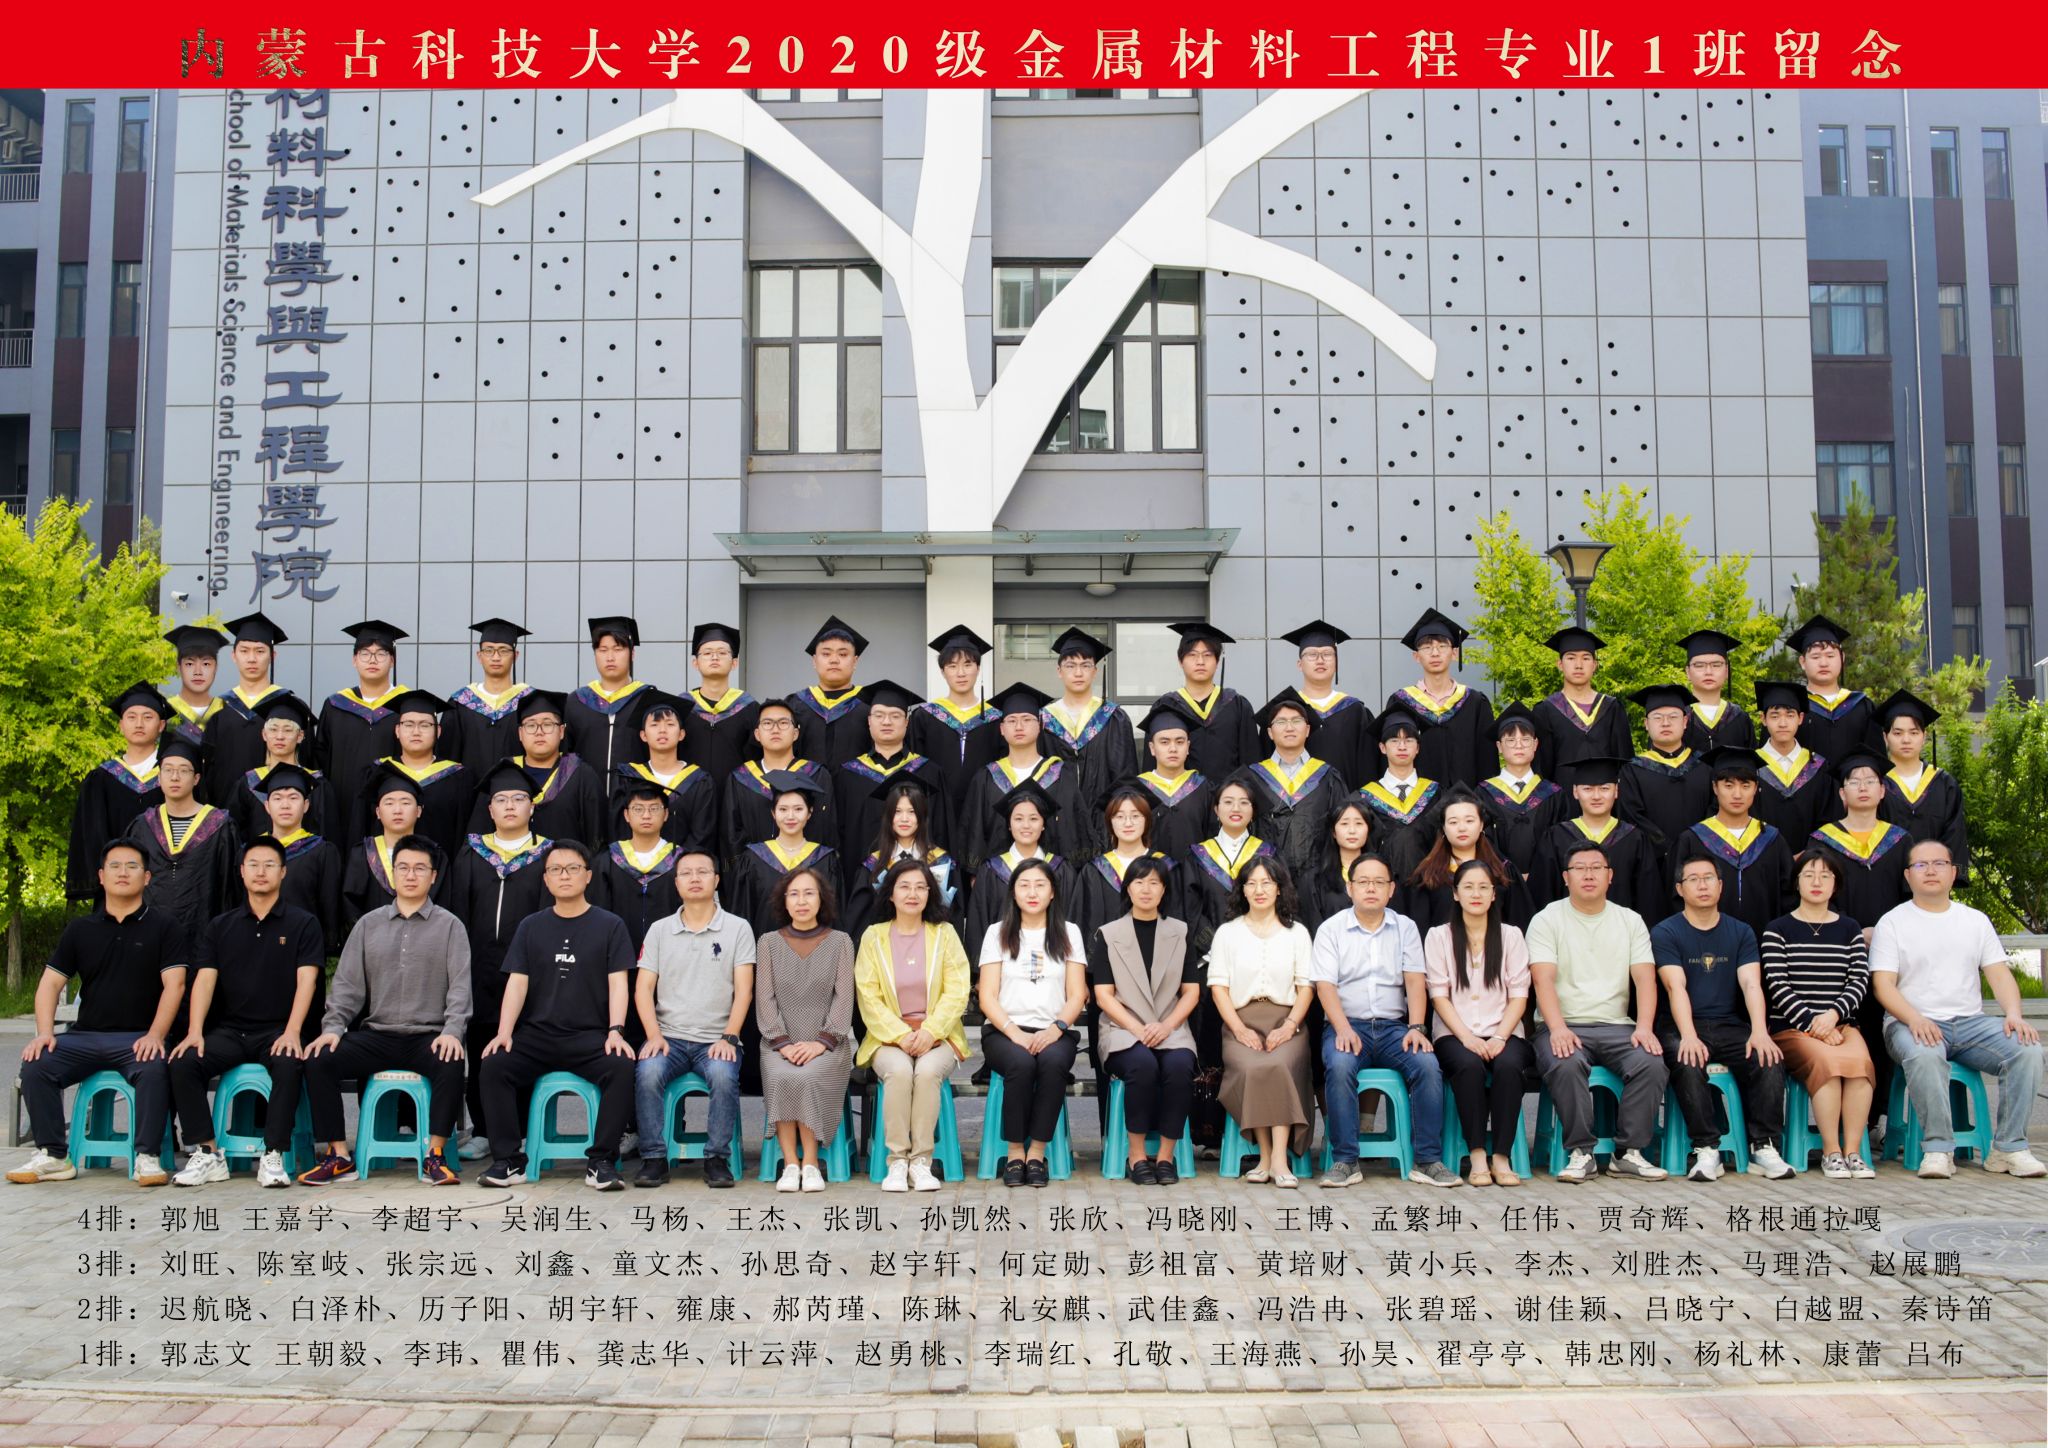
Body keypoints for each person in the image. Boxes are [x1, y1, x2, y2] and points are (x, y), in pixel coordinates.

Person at [8, 841, 187, 1187]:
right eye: (115, 866)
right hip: (85, 1036)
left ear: (147, 877)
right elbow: (49, 984)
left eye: (132, 866)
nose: (123, 873)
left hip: (138, 1038)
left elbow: (175, 985)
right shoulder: (81, 929)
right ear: (101, 877)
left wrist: (155, 1034)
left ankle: (147, 1157)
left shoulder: (165, 927)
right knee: (37, 1064)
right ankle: (54, 1155)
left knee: (153, 1068)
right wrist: (44, 1033)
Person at [296, 834, 471, 1186]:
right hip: (377, 1035)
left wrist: (453, 1031)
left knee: (451, 1060)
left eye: (419, 868)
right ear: (392, 874)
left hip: (427, 1036)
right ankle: (338, 1154)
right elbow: (347, 987)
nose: (411, 875)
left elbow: (460, 987)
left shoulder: (450, 926)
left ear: (433, 876)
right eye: (403, 868)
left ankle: (434, 1155)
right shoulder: (368, 924)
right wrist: (333, 1028)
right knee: (319, 1058)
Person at [1871, 840, 2045, 1179]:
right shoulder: (1892, 922)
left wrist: (2013, 1014)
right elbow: (1883, 986)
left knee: (2027, 1050)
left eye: (1939, 863)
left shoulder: (1974, 920)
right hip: (1908, 1022)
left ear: (1953, 872)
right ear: (1908, 876)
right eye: (1921, 865)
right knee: (1925, 1055)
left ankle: (2009, 1148)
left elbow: (1999, 974)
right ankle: (1938, 1149)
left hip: (1969, 1024)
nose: (1931, 870)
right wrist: (1914, 1018)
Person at [477, 841, 639, 1190]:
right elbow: (517, 983)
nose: (564, 876)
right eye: (555, 870)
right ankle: (508, 1160)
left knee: (622, 1066)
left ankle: (601, 1161)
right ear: (546, 879)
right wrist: (504, 1032)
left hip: (589, 1037)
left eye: (572, 868)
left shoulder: (610, 925)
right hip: (537, 1036)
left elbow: (618, 984)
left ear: (588, 876)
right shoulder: (531, 926)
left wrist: (615, 1030)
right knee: (494, 1065)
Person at [167, 837, 325, 1188]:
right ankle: (208, 1153)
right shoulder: (221, 926)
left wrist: (293, 1031)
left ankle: (273, 1154)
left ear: (283, 872)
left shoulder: (303, 923)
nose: (261, 872)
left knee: (288, 1063)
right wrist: (195, 1031)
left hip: (278, 1031)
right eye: (253, 864)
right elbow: (204, 981)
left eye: (269, 865)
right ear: (241, 872)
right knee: (183, 1061)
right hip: (231, 1032)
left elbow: (308, 981)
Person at [1526, 841, 1669, 1183]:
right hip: (1563, 1024)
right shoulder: (1547, 919)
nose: (1588, 875)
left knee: (1650, 1062)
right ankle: (1582, 1152)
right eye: (1579, 868)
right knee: (1566, 1062)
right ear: (1566, 877)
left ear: (1610, 875)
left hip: (1617, 1026)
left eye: (1596, 868)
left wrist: (1644, 1027)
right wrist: (1557, 1028)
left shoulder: (1629, 920)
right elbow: (1542, 980)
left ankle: (1628, 1153)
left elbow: (1645, 979)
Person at [1312, 854, 1458, 1188]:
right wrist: (1342, 1028)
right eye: (1363, 882)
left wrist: (1417, 1027)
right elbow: (1325, 986)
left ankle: (1428, 1160)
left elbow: (1415, 981)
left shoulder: (1404, 927)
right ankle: (1345, 1160)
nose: (1371, 888)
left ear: (1391, 889)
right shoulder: (1331, 929)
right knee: (1340, 1066)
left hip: (1394, 1029)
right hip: (1347, 1024)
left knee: (1427, 1065)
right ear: (1350, 888)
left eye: (1379, 882)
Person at [1654, 857, 1794, 1181]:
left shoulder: (1740, 932)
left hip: (1729, 1024)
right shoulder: (1666, 931)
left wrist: (1759, 1031)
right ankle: (1706, 1148)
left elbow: (1751, 984)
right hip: (1683, 1024)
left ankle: (1764, 1147)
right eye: (1693, 879)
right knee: (1688, 1058)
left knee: (1767, 1056)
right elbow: (1675, 987)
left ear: (1720, 885)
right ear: (1680, 889)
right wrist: (1689, 1035)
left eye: (1708, 878)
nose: (1702, 885)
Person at [445, 760, 555, 1156]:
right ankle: (483, 1131)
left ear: (532, 806)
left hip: (531, 969)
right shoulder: (472, 852)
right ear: (490, 809)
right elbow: (458, 912)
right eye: (502, 800)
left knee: (525, 1044)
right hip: (479, 967)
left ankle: (524, 1130)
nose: (510, 806)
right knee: (480, 1046)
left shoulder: (547, 855)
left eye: (519, 798)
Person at [631, 848, 757, 1189]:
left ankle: (716, 1158)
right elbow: (643, 989)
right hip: (668, 1037)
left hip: (717, 1038)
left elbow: (744, 991)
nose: (695, 878)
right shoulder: (659, 930)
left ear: (716, 880)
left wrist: (730, 1036)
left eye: (703, 872)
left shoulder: (737, 928)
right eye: (686, 873)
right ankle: (654, 1158)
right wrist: (653, 1035)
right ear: (676, 884)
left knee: (723, 1076)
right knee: (648, 1073)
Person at [854, 859, 973, 1191]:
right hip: (888, 1038)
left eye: (921, 887)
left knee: (927, 1072)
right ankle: (897, 1161)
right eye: (904, 887)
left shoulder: (944, 934)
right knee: (900, 1071)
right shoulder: (874, 937)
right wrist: (902, 1035)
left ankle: (921, 1162)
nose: (913, 894)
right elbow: (868, 995)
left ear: (930, 893)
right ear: (890, 894)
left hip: (939, 1035)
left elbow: (957, 989)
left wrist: (931, 1031)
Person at [1761, 849, 1878, 1181]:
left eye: (1825, 876)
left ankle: (1853, 1152)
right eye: (1809, 875)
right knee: (1827, 1064)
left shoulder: (1849, 928)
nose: (1817, 882)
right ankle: (1831, 1152)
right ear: (1796, 882)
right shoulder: (1777, 929)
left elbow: (1859, 980)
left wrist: (1833, 1016)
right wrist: (1815, 1024)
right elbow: (1777, 985)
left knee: (1861, 1067)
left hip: (1841, 1024)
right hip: (1792, 1029)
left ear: (1835, 884)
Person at [977, 858, 1088, 1187]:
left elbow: (1077, 994)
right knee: (1021, 1064)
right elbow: (987, 997)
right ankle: (1015, 1153)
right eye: (1024, 885)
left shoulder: (1069, 932)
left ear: (1053, 892)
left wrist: (1056, 1029)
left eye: (1040, 885)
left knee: (1053, 1063)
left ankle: (1036, 1153)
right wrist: (1014, 1033)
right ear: (1013, 892)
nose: (1032, 892)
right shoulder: (997, 932)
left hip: (1056, 1030)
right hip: (1004, 1032)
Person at [1090, 855, 1200, 1185]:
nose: (1146, 889)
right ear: (1128, 888)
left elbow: (1191, 992)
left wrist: (1166, 1026)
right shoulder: (1109, 934)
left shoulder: (1179, 932)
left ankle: (1165, 1156)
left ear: (1164, 889)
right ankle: (1136, 1155)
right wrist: (1138, 1029)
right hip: (1123, 1028)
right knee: (1142, 1065)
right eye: (1139, 882)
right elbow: (1103, 996)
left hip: (1170, 1026)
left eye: (1154, 882)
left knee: (1180, 1066)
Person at [1424, 859, 1534, 1186]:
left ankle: (1501, 1156)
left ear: (1493, 894)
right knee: (1469, 1066)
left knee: (1509, 1066)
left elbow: (1519, 996)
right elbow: (1439, 996)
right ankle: (1476, 1155)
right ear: (1455, 894)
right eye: (1468, 887)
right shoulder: (1439, 937)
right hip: (1455, 1034)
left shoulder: (1511, 936)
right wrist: (1467, 1038)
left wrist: (1499, 1037)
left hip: (1504, 1030)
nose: (1476, 894)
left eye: (1483, 887)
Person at [1208, 856, 1315, 1186]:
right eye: (1251, 883)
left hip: (1288, 1021)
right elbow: (1218, 987)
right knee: (1254, 1067)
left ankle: (1279, 1159)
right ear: (1242, 889)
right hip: (1241, 1021)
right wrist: (1239, 1029)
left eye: (1267, 882)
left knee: (1279, 1065)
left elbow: (1306, 987)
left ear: (1279, 889)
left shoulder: (1297, 933)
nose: (1259, 890)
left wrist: (1290, 1025)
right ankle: (1266, 1157)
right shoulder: (1228, 933)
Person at [755, 866, 855, 1193]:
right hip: (777, 1043)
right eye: (794, 894)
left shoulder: (840, 942)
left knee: (808, 1076)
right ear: (784, 901)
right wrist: (783, 1043)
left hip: (829, 1044)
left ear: (821, 899)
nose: (801, 901)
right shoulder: (769, 943)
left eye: (809, 893)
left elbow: (844, 999)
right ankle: (790, 1164)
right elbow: (765, 999)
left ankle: (810, 1163)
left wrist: (819, 1043)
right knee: (783, 1075)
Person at [1671, 747, 1796, 942]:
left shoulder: (1772, 840)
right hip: (1703, 945)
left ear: (1755, 788)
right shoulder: (1692, 839)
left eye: (1745, 786)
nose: (1737, 795)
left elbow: (1789, 898)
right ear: (1715, 788)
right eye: (1728, 786)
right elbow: (1676, 899)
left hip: (1764, 943)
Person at [124, 736, 240, 943]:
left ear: (196, 779)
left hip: (203, 936)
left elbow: (229, 890)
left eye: (184, 770)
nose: (175, 777)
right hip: (148, 937)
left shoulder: (219, 825)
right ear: (159, 777)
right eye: (168, 770)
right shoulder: (142, 826)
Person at [959, 681, 1084, 872]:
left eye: (1026, 719)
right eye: (1011, 721)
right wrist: (978, 877)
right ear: (1002, 729)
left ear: (1040, 725)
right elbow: (974, 832)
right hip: (998, 880)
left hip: (1052, 880)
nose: (1019, 726)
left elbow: (1072, 831)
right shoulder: (986, 778)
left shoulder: (1060, 775)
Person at [68, 683, 169, 903]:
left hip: (166, 890)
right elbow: (91, 837)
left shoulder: (174, 775)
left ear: (161, 725)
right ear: (121, 725)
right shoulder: (101, 778)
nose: (139, 724)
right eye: (131, 717)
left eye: (148, 717)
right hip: (114, 891)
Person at [468, 690, 607, 851]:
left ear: (561, 731)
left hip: (565, 866)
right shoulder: (502, 774)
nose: (539, 732)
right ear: (520, 733)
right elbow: (479, 838)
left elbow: (597, 837)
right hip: (511, 866)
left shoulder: (582, 775)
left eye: (547, 724)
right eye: (531, 725)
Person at [1040, 628, 1137, 853]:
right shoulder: (1044, 720)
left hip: (1104, 828)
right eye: (1070, 665)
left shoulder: (1113, 717)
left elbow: (1125, 777)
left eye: (1085, 665)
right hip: (1056, 828)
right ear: (1059, 671)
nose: (1078, 672)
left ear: (1095, 671)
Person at [1241, 688, 1352, 885]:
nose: (1289, 727)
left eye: (1296, 721)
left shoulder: (1327, 776)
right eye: (1281, 722)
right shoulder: (1253, 777)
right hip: (1267, 883)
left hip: (1320, 883)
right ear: (1270, 732)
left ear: (1307, 730)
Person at [833, 679, 945, 865]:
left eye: (895, 716)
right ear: (869, 721)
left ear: (906, 722)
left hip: (917, 876)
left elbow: (940, 831)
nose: (886, 722)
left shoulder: (928, 772)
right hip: (860, 875)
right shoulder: (848, 775)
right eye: (879, 715)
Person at [910, 625, 1002, 850]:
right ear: (943, 672)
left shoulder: (996, 719)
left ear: (978, 668)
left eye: (968, 664)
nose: (961, 673)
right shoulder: (925, 716)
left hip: (985, 812)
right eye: (952, 666)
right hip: (935, 812)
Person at [1535, 758, 1660, 918]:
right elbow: (1544, 894)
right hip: (1566, 929)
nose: (1596, 796)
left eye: (1604, 788)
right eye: (1587, 789)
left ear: (1616, 791)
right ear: (1575, 792)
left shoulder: (1635, 838)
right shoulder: (1556, 837)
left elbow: (1648, 898)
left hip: (1621, 929)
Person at [1384, 609, 1494, 790]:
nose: (1435, 653)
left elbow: (1487, 761)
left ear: (1454, 653)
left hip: (1467, 802)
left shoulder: (1475, 702)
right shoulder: (1401, 702)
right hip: (1417, 801)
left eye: (1442, 646)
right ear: (1416, 656)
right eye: (1427, 647)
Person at [964, 781, 1073, 959]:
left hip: (1052, 961)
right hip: (1001, 962)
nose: (1026, 826)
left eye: (1034, 819)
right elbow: (978, 925)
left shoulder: (1060, 870)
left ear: (1043, 824)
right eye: (1018, 819)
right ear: (1009, 824)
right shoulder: (991, 870)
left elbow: (1069, 920)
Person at [1807, 754, 1912, 934]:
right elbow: (1815, 892)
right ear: (1842, 794)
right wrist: (1853, 932)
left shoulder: (1900, 840)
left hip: (1895, 937)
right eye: (1854, 782)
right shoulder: (1822, 841)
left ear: (1882, 791)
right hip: (1838, 937)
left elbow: (1911, 894)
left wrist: (1888, 932)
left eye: (1870, 781)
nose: (1863, 788)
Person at [357, 689, 468, 856]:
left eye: (425, 725)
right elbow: (361, 828)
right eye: (408, 725)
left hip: (441, 868)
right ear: (397, 730)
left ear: (438, 731)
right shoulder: (376, 772)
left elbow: (462, 833)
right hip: (385, 869)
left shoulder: (458, 777)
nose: (416, 732)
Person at [729, 772, 841, 938]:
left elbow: (834, 916)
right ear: (773, 813)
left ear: (809, 813)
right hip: (764, 950)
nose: (790, 816)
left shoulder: (825, 859)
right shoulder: (753, 858)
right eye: (783, 809)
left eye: (798, 809)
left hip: (815, 949)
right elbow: (743, 914)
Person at [844, 775, 962, 932]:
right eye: (897, 811)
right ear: (888, 816)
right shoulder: (874, 865)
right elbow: (859, 922)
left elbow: (954, 919)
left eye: (912, 811)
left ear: (922, 816)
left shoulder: (941, 862)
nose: (904, 819)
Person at [724, 699, 836, 864]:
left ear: (795, 734)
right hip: (754, 872)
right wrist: (746, 871)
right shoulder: (740, 778)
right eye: (767, 723)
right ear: (757, 734)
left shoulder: (816, 775)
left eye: (783, 723)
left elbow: (824, 829)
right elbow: (732, 835)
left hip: (806, 871)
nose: (775, 729)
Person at [315, 619, 408, 815]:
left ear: (392, 661)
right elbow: (321, 759)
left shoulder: (406, 705)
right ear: (354, 660)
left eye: (381, 653)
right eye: (365, 653)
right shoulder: (336, 706)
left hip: (393, 808)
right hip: (343, 806)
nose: (372, 660)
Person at [1407, 785, 1530, 932]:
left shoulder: (1502, 870)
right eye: (1453, 822)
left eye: (1469, 821)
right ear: (1444, 828)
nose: (1462, 828)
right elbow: (1419, 931)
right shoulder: (1428, 875)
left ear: (1481, 825)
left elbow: (1520, 923)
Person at [1875, 689, 1969, 878]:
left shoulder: (1944, 784)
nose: (1906, 740)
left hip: (1934, 882)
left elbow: (1955, 836)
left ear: (1924, 736)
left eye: (1913, 732)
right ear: (1885, 737)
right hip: (1886, 881)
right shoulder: (1876, 783)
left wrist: (1948, 877)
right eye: (1898, 733)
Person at [1146, 621, 1257, 781]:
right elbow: (1153, 766)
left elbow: (1251, 762)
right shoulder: (1166, 706)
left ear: (1217, 662)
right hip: (1180, 795)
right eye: (1192, 655)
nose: (1200, 662)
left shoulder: (1237, 705)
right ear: (1180, 661)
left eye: (1207, 655)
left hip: (1229, 795)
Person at [342, 766, 445, 938]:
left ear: (419, 811)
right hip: (372, 942)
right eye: (389, 803)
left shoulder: (436, 856)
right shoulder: (364, 853)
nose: (397, 810)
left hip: (424, 942)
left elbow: (442, 905)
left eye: (405, 803)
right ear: (378, 812)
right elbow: (351, 906)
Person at [202, 612, 293, 807]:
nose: (252, 659)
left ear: (273, 656)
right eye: (244, 651)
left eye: (260, 651)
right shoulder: (217, 708)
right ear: (234, 656)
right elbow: (206, 769)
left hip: (275, 812)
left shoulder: (288, 706)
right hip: (223, 811)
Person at [612, 690, 717, 856]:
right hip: (635, 865)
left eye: (670, 724)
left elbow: (702, 835)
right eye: (654, 725)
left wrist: (676, 863)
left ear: (681, 734)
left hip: (685, 867)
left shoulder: (699, 781)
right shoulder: (628, 777)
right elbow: (620, 830)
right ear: (643, 735)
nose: (662, 730)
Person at [255, 762, 343, 953]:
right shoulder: (251, 852)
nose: (285, 805)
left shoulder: (322, 851)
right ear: (267, 806)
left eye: (293, 798)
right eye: (278, 798)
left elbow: (329, 907)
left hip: (305, 948)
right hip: (255, 947)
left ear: (306, 805)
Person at [1620, 685, 1713, 864]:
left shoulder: (1705, 766)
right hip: (1652, 862)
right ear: (1646, 724)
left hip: (1701, 857)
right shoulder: (1632, 770)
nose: (1665, 723)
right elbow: (1632, 816)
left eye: (1673, 717)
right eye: (1657, 717)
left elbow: (1715, 810)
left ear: (1685, 722)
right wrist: (1666, 848)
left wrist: (1694, 843)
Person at [1477, 702, 1563, 896]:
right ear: (1499, 746)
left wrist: (1538, 872)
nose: (1518, 745)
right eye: (1510, 740)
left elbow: (1559, 841)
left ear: (1535, 744)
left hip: (1546, 885)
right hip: (1499, 883)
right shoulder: (1484, 793)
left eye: (1525, 739)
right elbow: (1483, 842)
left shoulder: (1553, 794)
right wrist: (1508, 871)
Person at [1073, 788, 1182, 937]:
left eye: (1135, 816)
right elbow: (1083, 925)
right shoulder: (1095, 871)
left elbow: (1176, 919)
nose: (1128, 823)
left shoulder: (1166, 867)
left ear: (1147, 820)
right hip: (1106, 950)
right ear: (1110, 822)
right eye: (1119, 816)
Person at [593, 778, 683, 957]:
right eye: (638, 809)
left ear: (666, 814)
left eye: (654, 809)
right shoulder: (609, 858)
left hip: (671, 954)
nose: (646, 815)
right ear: (626, 815)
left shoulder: (681, 860)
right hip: (618, 954)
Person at [679, 622, 760, 818]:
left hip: (736, 801)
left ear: (734, 663)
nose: (714, 657)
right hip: (689, 799)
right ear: (695, 663)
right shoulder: (681, 707)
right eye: (707, 653)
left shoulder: (749, 708)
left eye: (722, 653)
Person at [1532, 627, 1633, 781]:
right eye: (1571, 658)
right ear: (1560, 664)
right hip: (1561, 795)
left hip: (1606, 794)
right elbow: (1541, 769)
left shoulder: (1612, 708)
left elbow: (1625, 765)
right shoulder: (1545, 710)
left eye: (1586, 658)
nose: (1578, 665)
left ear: (1594, 665)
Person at [1283, 619, 1373, 788]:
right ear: (1299, 664)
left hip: (1346, 802)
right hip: (1295, 802)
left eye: (1327, 654)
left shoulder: (1355, 711)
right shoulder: (1284, 711)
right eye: (1312, 654)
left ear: (1336, 663)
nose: (1320, 660)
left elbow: (1367, 767)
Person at [227, 694, 325, 844]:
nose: (280, 736)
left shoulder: (317, 784)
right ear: (264, 734)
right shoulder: (248, 784)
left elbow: (326, 833)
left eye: (287, 730)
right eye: (273, 729)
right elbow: (235, 838)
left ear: (300, 736)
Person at [1788, 615, 1884, 765]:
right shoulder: (1791, 708)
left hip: (1852, 780)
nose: (1823, 663)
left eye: (1830, 655)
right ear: (1802, 662)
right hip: (1804, 781)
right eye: (1816, 657)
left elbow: (1877, 761)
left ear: (1842, 658)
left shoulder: (1861, 707)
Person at [1355, 710, 1441, 878]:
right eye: (1394, 740)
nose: (1402, 747)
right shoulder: (1365, 798)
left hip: (1429, 884)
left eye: (1408, 740)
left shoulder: (1436, 794)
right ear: (1382, 748)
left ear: (1418, 748)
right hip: (1381, 884)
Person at [1129, 697, 1214, 867]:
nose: (1173, 748)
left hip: (1194, 877)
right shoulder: (1137, 790)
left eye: (1179, 742)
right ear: (1152, 748)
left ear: (1188, 747)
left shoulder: (1204, 789)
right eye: (1164, 742)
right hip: (1149, 878)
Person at [443, 618, 534, 773]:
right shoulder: (460, 702)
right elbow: (448, 756)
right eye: (489, 650)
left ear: (515, 656)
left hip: (517, 786)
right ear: (479, 656)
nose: (496, 657)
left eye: (503, 650)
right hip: (469, 787)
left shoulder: (530, 701)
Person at [567, 615, 654, 775]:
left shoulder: (648, 699)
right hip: (586, 790)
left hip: (635, 790)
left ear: (632, 654)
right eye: (603, 650)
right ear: (595, 654)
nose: (610, 657)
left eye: (618, 649)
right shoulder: (577, 702)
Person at [1751, 679, 1834, 846]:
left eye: (1790, 715)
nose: (1783, 723)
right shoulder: (1752, 766)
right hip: (1762, 855)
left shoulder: (1817, 766)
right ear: (1763, 719)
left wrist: (1811, 853)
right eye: (1775, 716)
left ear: (1800, 718)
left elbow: (1829, 818)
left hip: (1811, 859)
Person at [788, 616, 873, 770]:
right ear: (814, 661)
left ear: (855, 661)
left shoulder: (870, 704)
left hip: (858, 784)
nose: (834, 660)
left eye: (843, 654)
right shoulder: (795, 704)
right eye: (826, 654)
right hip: (803, 784)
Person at [1677, 629, 1755, 753]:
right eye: (1699, 665)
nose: (1708, 672)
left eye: (1716, 665)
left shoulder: (1740, 718)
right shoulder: (1677, 717)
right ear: (1688, 672)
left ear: (1726, 671)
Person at [1304, 800, 1379, 926]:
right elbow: (1313, 924)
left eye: (1359, 823)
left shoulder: (1382, 875)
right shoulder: (1315, 879)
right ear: (1333, 832)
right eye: (1344, 824)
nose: (1352, 830)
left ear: (1368, 830)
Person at [162, 623, 229, 751]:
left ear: (216, 667)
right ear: (178, 667)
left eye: (206, 664)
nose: (198, 672)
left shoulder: (227, 712)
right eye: (189, 664)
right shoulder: (165, 712)